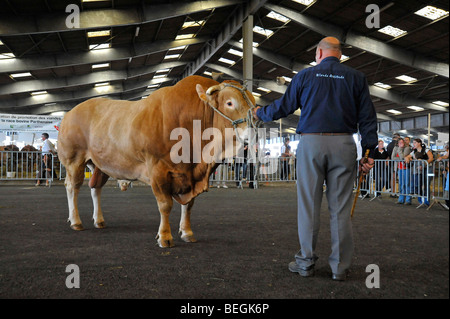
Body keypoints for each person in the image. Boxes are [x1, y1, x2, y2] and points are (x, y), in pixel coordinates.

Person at [253, 36, 377, 281]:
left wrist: (260, 112)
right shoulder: (356, 77)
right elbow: (367, 118)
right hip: (344, 143)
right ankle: (339, 267)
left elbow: (284, 106)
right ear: (339, 54)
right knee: (340, 209)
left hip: (311, 143)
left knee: (309, 205)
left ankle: (306, 263)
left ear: (319, 54)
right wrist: (369, 152)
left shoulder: (305, 76)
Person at [405, 139, 433, 206]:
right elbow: (408, 156)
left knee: (426, 184)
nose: (413, 144)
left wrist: (424, 164)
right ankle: (420, 200)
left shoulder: (426, 150)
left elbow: (431, 158)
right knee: (419, 183)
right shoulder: (414, 151)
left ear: (419, 143)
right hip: (419, 169)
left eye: (415, 142)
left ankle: (426, 200)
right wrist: (407, 158)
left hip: (428, 168)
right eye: (413, 143)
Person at [391, 138, 412, 204]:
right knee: (401, 184)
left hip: (406, 168)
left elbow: (403, 157)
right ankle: (401, 199)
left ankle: (408, 199)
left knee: (407, 184)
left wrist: (400, 149)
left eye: (402, 142)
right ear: (397, 143)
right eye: (399, 142)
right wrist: (400, 159)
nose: (401, 143)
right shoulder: (395, 148)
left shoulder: (407, 148)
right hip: (399, 168)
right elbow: (393, 157)